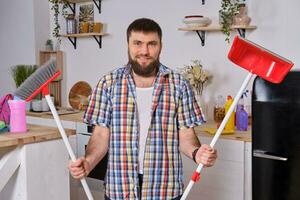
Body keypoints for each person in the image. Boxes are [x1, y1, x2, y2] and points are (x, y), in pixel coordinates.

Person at [68, 18, 217, 200]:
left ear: (160, 46)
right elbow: (100, 135)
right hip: (119, 188)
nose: (144, 51)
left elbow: (186, 136)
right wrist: (88, 162)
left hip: (165, 188)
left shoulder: (179, 84)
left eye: (151, 44)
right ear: (128, 45)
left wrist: (197, 153)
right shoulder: (108, 83)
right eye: (138, 43)